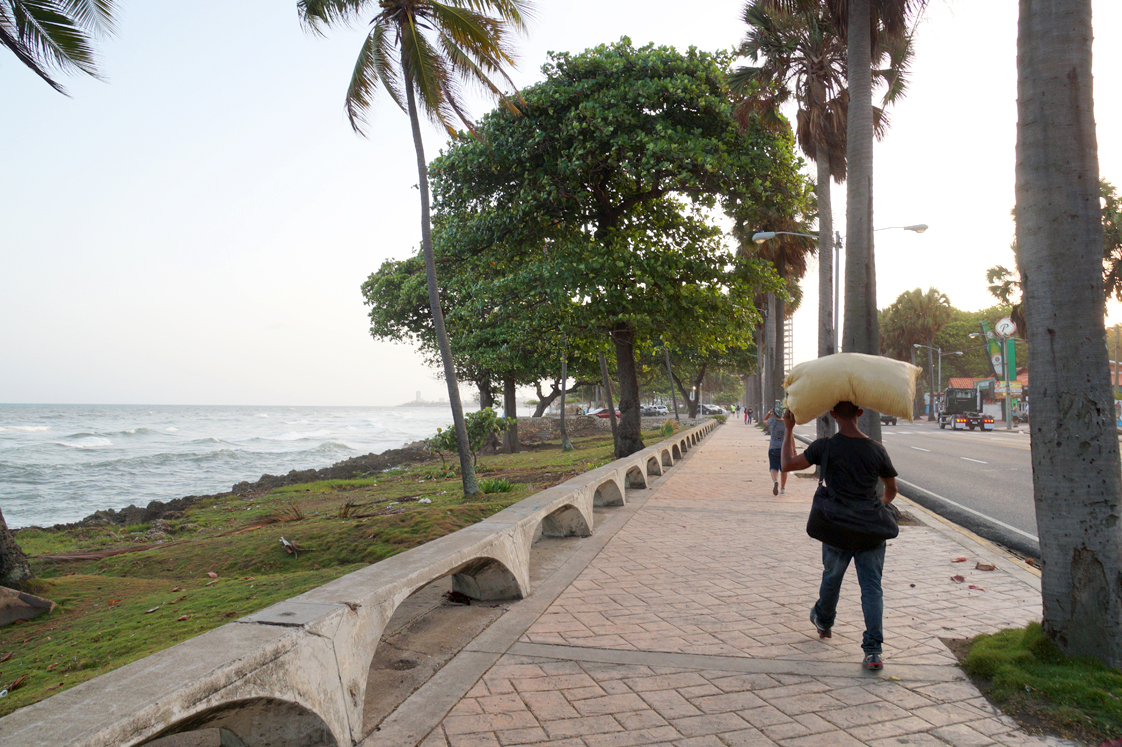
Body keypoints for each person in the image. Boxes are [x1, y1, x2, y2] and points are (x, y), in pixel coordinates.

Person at [780, 401, 899, 671]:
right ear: (860, 412)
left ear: (832, 413)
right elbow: (891, 489)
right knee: (871, 588)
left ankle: (824, 621)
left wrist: (789, 429)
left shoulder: (825, 446)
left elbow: (786, 464)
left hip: (836, 527)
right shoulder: (876, 449)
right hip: (870, 529)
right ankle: (873, 651)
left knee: (832, 579)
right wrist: (880, 503)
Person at [764, 407, 787, 495]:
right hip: (784, 449)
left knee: (773, 467)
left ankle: (775, 481)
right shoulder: (786, 423)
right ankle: (783, 488)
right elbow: (791, 436)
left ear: (775, 413)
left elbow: (764, 420)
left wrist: (769, 412)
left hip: (773, 448)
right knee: (784, 469)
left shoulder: (772, 422)